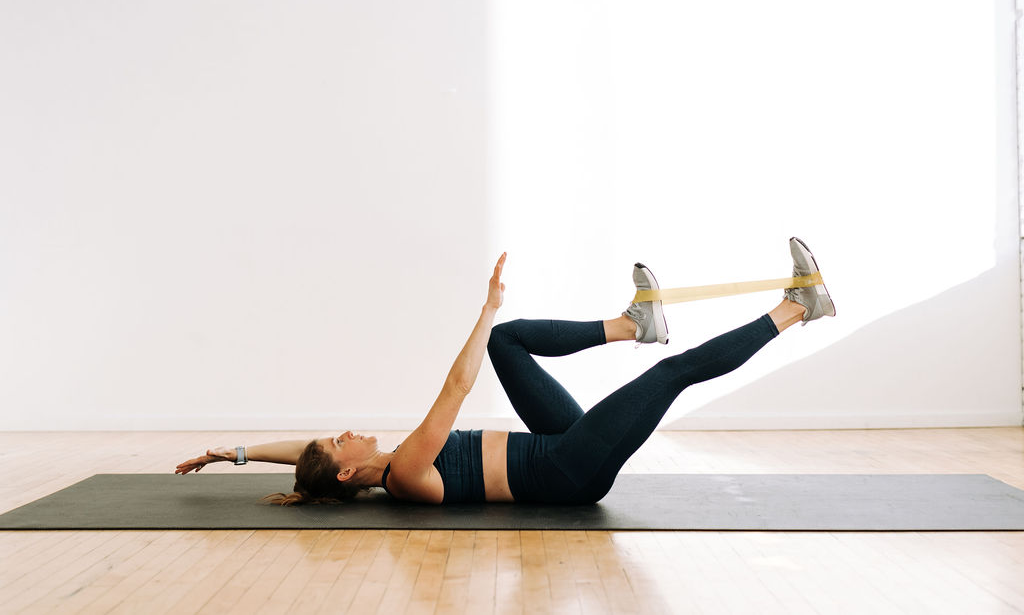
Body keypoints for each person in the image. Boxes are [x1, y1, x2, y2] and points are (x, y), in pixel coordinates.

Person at [175, 238, 835, 505]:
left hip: (553, 445)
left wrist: (232, 451)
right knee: (673, 376)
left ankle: (636, 325)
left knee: (511, 344)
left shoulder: (372, 468)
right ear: (348, 469)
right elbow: (457, 388)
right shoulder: (406, 472)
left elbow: (304, 456)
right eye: (337, 440)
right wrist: (485, 305)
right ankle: (798, 307)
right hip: (569, 470)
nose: (345, 429)